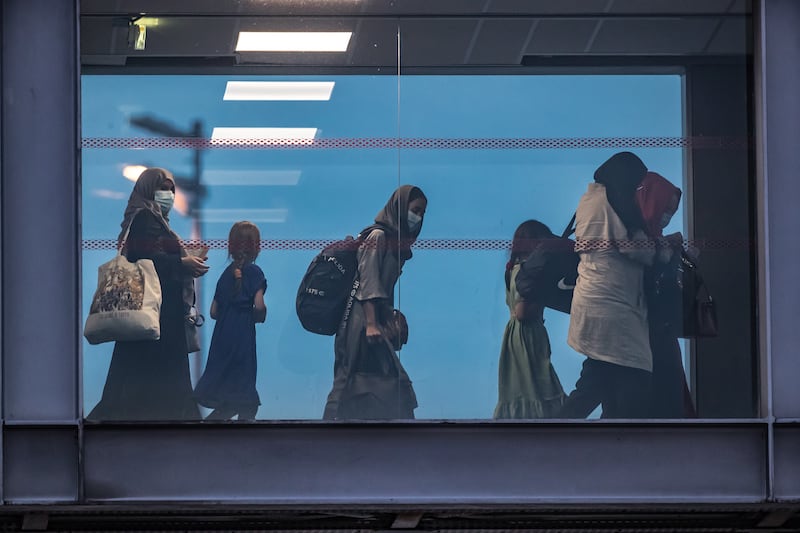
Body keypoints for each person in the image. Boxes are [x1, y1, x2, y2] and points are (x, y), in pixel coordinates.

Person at [88, 167, 209, 421]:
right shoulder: (146, 218)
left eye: (171, 189)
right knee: (160, 387)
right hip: (158, 317)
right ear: (148, 189)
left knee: (138, 385)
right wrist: (183, 263)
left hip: (158, 314)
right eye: (162, 188)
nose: (168, 194)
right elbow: (148, 259)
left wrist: (185, 260)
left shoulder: (156, 221)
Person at [560, 152, 656, 419]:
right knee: (631, 381)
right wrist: (662, 247)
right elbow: (637, 250)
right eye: (636, 184)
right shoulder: (614, 202)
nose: (637, 191)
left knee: (599, 380)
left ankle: (555, 435)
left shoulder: (589, 200)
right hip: (614, 308)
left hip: (593, 304)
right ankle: (555, 436)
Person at [323, 185, 427, 420]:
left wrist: (389, 317)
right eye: (415, 210)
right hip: (360, 320)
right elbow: (368, 278)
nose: (418, 217)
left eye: (422, 213)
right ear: (400, 208)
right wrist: (371, 322)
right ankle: (329, 431)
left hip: (374, 318)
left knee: (381, 377)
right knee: (349, 376)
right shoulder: (378, 236)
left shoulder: (395, 244)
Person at [636, 171, 697, 418]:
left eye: (672, 211)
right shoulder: (636, 241)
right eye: (665, 208)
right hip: (645, 337)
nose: (667, 216)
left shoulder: (660, 242)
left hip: (662, 335)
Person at [194, 221, 267, 420]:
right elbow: (259, 306)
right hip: (243, 335)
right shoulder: (255, 272)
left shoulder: (225, 275)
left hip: (222, 336)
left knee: (228, 396)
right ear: (256, 246)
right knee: (246, 400)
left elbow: (213, 312)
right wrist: (256, 315)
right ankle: (246, 446)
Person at [494, 220, 566, 419]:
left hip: (514, 335)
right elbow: (522, 311)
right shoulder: (528, 273)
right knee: (538, 383)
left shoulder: (511, 270)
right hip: (528, 333)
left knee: (522, 386)